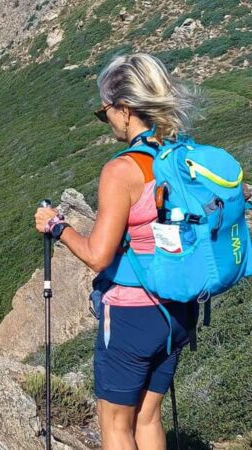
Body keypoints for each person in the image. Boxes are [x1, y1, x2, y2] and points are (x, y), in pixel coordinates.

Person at [33, 53, 202, 450]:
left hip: (133, 315)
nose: (105, 118)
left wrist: (58, 227)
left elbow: (98, 255)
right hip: (180, 308)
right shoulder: (183, 157)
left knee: (114, 425)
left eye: (105, 110)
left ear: (125, 110)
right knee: (147, 418)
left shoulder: (122, 170)